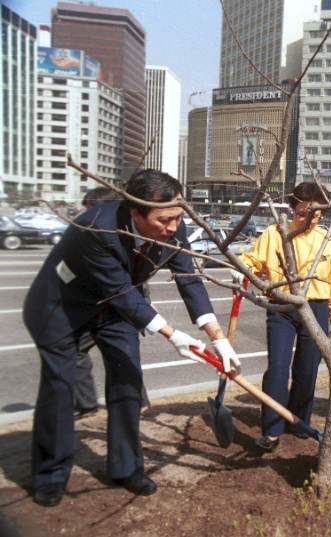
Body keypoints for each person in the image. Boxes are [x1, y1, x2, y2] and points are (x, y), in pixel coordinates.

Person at [23, 169, 240, 507]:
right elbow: (121, 292)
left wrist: (216, 336)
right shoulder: (97, 226)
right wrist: (174, 335)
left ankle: (126, 468)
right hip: (62, 308)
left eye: (177, 218)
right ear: (135, 212)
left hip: (114, 311)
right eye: (163, 220)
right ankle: (50, 474)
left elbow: (188, 278)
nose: (172, 228)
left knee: (128, 381)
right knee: (59, 388)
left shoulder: (173, 222)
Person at [234, 183, 331, 452]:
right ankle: (271, 429)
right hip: (281, 307)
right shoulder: (275, 233)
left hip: (315, 308)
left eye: (316, 214)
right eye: (303, 212)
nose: (308, 219)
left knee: (307, 369)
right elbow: (251, 259)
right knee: (278, 368)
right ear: (293, 209)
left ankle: (299, 422)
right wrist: (242, 269)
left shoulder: (327, 239)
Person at [73, 187, 123, 419]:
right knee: (76, 351)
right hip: (90, 311)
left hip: (117, 312)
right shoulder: (86, 234)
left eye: (89, 211)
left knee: (123, 359)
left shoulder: (120, 236)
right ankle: (86, 403)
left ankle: (135, 404)